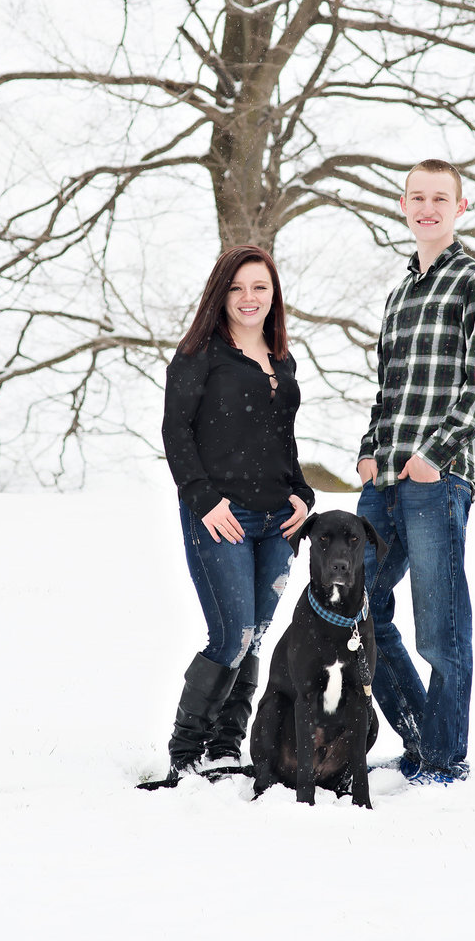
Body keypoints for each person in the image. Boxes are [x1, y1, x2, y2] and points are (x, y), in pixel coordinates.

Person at [356, 158, 475, 785]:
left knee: (440, 628)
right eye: (417, 197)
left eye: (439, 198)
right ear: (401, 204)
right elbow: (386, 390)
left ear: (460, 207)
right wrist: (370, 449)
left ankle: (445, 761)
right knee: (360, 610)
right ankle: (424, 737)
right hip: (384, 479)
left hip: (436, 480)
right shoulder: (398, 295)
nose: (427, 208)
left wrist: (434, 457)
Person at [160, 244, 315, 780]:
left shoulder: (283, 359)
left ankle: (227, 745)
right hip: (220, 516)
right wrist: (203, 499)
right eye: (238, 288)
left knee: (254, 637)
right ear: (220, 293)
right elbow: (176, 433)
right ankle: (186, 752)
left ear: (274, 295)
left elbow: (282, 439)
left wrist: (303, 494)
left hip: (278, 523)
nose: (250, 298)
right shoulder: (198, 355)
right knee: (229, 636)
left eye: (261, 288)